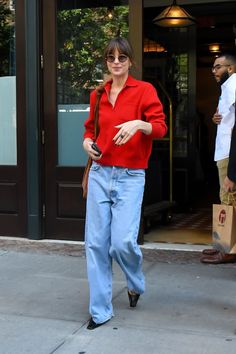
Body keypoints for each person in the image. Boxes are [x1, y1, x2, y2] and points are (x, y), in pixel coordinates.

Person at [83, 37, 167, 329]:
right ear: (106, 61)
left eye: (121, 57)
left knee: (121, 243)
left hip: (131, 177)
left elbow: (159, 127)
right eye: (110, 57)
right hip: (100, 173)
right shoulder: (98, 93)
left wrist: (138, 125)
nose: (116, 62)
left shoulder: (144, 91)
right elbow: (89, 130)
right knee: (95, 244)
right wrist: (86, 144)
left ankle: (135, 282)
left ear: (131, 61)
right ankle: (100, 310)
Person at [201, 52, 236, 264]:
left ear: (230, 69)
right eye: (213, 67)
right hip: (223, 152)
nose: (214, 71)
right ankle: (224, 246)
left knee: (229, 201)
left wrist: (232, 170)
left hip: (229, 154)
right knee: (226, 200)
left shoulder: (233, 85)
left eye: (218, 67)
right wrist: (218, 119)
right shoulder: (227, 88)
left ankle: (228, 251)